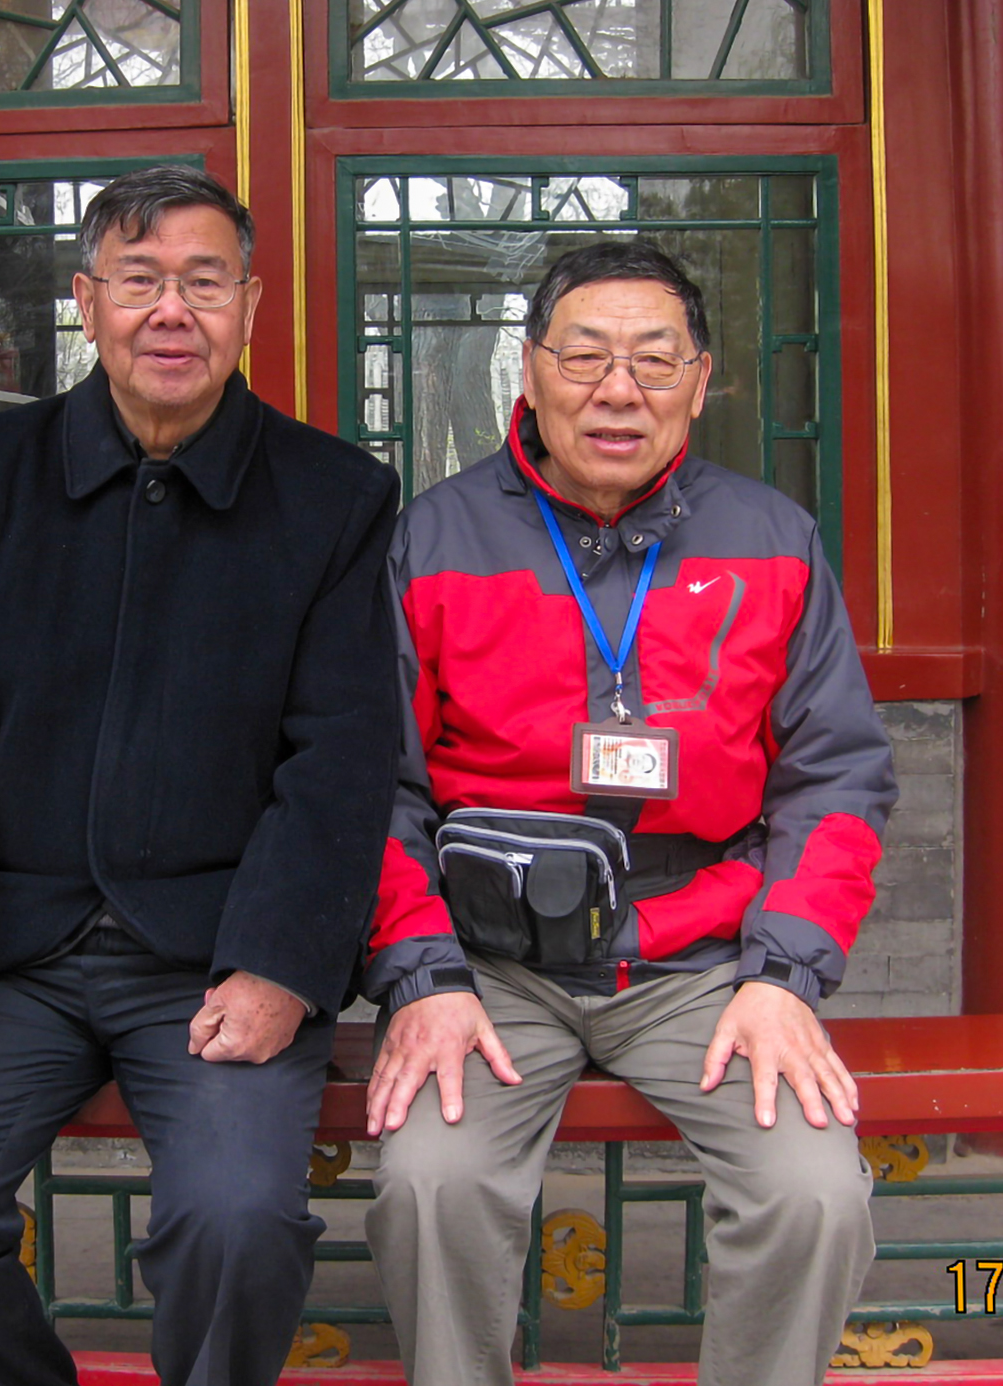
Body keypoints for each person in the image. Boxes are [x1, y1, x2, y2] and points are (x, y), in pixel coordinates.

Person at [0, 165, 401, 1386]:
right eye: (138, 282)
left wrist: (281, 965)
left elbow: (341, 760)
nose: (171, 312)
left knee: (238, 1225)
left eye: (204, 282)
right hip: (10, 953)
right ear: (86, 304)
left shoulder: (333, 498)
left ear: (249, 303)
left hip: (214, 956)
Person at [361, 240, 897, 1386]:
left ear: (698, 384)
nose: (618, 390)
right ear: (529, 370)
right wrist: (421, 977)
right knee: (429, 1184)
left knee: (811, 1196)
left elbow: (836, 778)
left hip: (702, 958)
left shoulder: (772, 539)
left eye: (654, 361)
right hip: (489, 960)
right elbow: (373, 789)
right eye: (585, 357)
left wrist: (782, 973)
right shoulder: (431, 539)